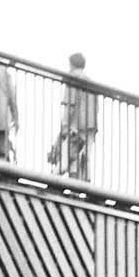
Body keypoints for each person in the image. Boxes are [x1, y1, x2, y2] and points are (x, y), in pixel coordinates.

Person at [48, 52, 99, 181]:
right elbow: (96, 109)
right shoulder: (92, 84)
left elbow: (69, 105)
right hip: (90, 128)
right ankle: (82, 190)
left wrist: (64, 127)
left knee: (66, 159)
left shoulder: (72, 80)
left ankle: (50, 182)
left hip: (75, 128)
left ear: (71, 65)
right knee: (82, 160)